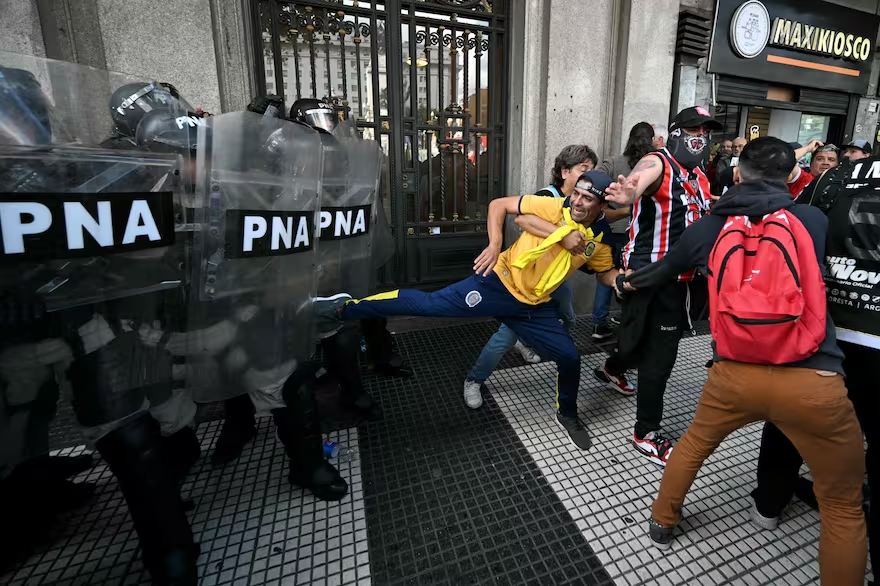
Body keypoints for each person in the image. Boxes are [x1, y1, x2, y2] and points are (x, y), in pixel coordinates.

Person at [610, 137, 866, 585]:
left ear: (734, 175)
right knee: (842, 505)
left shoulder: (711, 226)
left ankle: (663, 519)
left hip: (733, 374)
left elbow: (665, 268)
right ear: (791, 177)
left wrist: (627, 284)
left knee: (693, 446)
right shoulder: (811, 219)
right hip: (812, 377)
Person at [316, 171, 621, 449]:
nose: (578, 201)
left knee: (569, 357)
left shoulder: (602, 239)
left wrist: (623, 281)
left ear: (601, 206)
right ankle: (347, 308)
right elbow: (500, 205)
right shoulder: (556, 206)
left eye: (587, 198)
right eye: (577, 193)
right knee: (429, 305)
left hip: (533, 306)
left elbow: (604, 273)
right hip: (497, 283)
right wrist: (494, 243)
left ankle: (567, 414)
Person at [751, 153, 880, 585]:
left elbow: (793, 226)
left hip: (823, 326)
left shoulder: (836, 176)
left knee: (789, 418)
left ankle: (769, 502)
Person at [592, 106, 719, 466]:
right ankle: (645, 433)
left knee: (650, 349)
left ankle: (612, 370)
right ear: (676, 133)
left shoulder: (700, 177)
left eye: (706, 132)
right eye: (693, 129)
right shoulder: (658, 162)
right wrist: (629, 191)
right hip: (648, 278)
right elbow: (639, 180)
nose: (701, 137)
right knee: (651, 352)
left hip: (682, 281)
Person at [460, 145, 599, 407]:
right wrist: (562, 236)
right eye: (584, 170)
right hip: (525, 284)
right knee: (505, 334)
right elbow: (521, 219)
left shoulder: (584, 204)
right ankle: (475, 379)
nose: (589, 175)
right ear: (565, 171)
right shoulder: (548, 197)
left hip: (554, 282)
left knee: (568, 319)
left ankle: (528, 340)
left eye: (592, 169)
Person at [591, 124, 659, 339]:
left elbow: (595, 181)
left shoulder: (612, 162)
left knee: (606, 273)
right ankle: (627, 321)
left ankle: (599, 324)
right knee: (634, 277)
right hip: (641, 235)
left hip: (612, 230)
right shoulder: (655, 167)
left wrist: (608, 206)